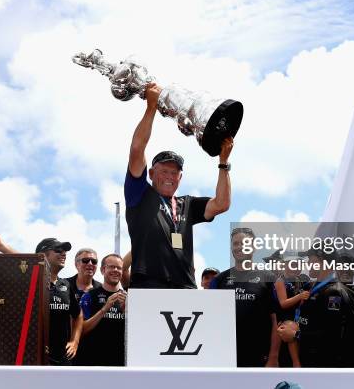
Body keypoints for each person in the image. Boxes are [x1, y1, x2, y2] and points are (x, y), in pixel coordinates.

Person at [125, 82, 234, 289]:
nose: (169, 176)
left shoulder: (187, 204)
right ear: (151, 173)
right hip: (148, 286)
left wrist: (223, 163)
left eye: (174, 173)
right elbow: (137, 148)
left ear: (180, 178)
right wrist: (151, 108)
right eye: (163, 171)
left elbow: (221, 204)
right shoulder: (139, 194)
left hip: (185, 288)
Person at [210, 228, 280, 367]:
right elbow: (210, 318)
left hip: (259, 359)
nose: (239, 247)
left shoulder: (269, 278)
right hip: (224, 358)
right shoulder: (219, 280)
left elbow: (276, 320)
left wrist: (273, 357)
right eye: (235, 244)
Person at [35, 238, 83, 366]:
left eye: (65, 251)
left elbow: (78, 315)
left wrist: (75, 341)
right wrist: (1, 246)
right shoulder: (32, 282)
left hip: (63, 358)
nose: (64, 254)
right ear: (43, 255)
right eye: (58, 250)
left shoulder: (66, 285)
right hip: (37, 357)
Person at [78, 254, 127, 366]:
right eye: (111, 267)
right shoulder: (89, 296)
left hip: (119, 363)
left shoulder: (128, 299)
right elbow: (81, 330)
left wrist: (126, 311)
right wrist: (104, 309)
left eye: (119, 268)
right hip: (92, 362)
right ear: (102, 270)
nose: (115, 270)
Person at [274, 253, 311, 367]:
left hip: (296, 316)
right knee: (291, 327)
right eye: (293, 265)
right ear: (285, 265)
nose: (296, 268)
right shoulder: (280, 281)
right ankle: (296, 363)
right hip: (284, 317)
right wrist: (300, 297)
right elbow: (283, 303)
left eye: (298, 265)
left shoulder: (299, 281)